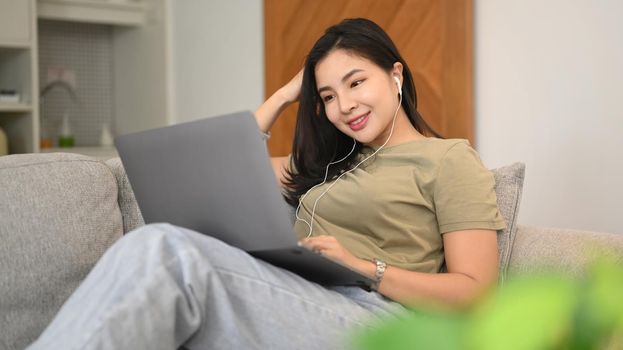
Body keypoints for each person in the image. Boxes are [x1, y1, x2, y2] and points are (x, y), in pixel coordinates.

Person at [27, 18, 505, 350]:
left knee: (166, 252)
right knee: (159, 247)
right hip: (303, 296)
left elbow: (476, 292)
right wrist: (283, 96)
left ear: (395, 74)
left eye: (357, 82)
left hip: (380, 318)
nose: (345, 106)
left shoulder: (448, 160)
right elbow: (220, 167)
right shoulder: (331, 162)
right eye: (328, 96)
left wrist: (363, 267)